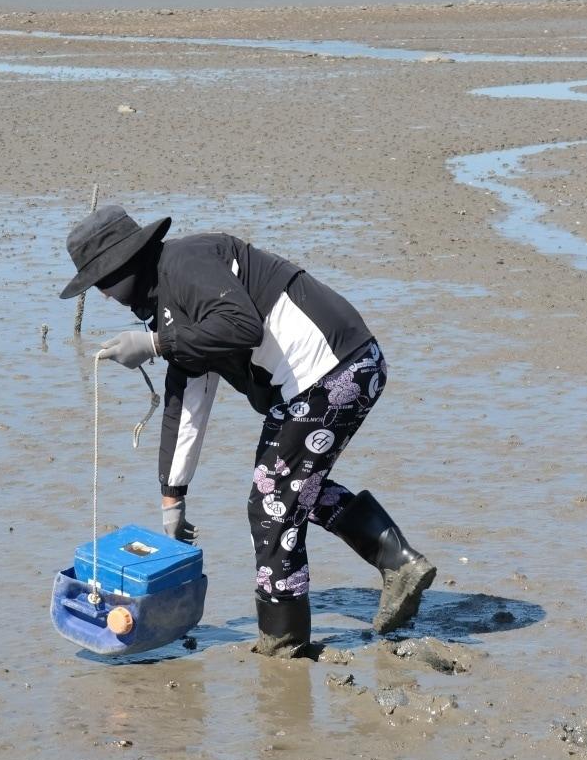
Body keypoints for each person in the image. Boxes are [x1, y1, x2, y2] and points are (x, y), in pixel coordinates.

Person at [60, 205, 436, 657]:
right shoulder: (165, 306)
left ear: (125, 265)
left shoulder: (184, 263)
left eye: (102, 281)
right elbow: (188, 398)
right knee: (293, 489)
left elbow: (241, 326)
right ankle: (399, 563)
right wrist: (172, 496)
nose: (102, 295)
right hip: (327, 375)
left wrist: (155, 344)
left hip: (337, 368)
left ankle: (283, 642)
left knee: (272, 502)